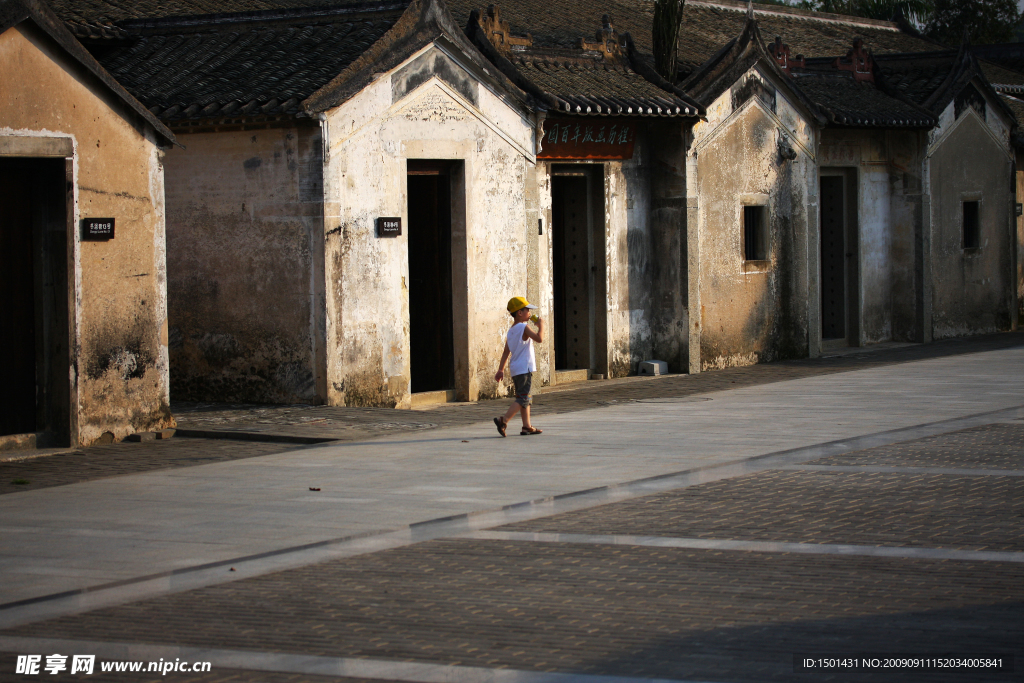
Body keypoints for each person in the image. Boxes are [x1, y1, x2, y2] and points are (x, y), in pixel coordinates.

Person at [494, 296, 544, 437]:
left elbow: (506, 352)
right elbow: (539, 339)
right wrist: (541, 326)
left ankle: (526, 426)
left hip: (516, 368)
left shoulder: (511, 331)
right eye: (527, 310)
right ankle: (503, 420)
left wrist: (501, 369)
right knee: (523, 398)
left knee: (524, 396)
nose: (529, 313)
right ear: (519, 313)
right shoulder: (524, 327)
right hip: (524, 368)